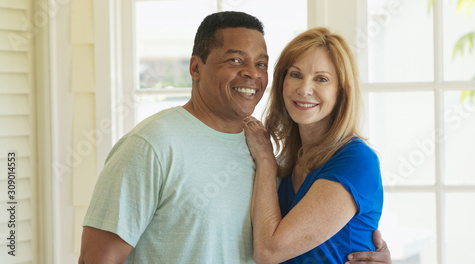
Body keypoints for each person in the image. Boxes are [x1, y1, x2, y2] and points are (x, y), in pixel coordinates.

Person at [79, 12, 390, 264]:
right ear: (195, 67)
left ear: (341, 92)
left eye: (261, 64)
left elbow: (323, 238)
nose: (251, 73)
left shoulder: (262, 154)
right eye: (235, 60)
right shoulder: (151, 146)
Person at [243, 27, 386, 264]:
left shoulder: (356, 161)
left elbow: (268, 252)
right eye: (296, 74)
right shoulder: (287, 166)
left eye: (321, 79)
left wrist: (266, 160)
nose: (304, 89)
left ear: (341, 92)